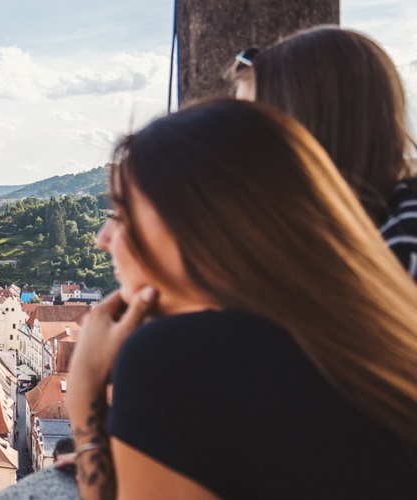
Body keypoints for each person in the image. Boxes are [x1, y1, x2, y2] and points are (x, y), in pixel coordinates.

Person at [68, 100, 417, 499]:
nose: (103, 239)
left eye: (123, 215)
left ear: (204, 232)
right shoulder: (372, 326)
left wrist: (84, 396)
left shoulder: (173, 360)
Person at [230, 26, 417, 277]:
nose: (235, 148)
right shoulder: (351, 231)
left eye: (248, 128)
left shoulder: (399, 258)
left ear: (308, 132)